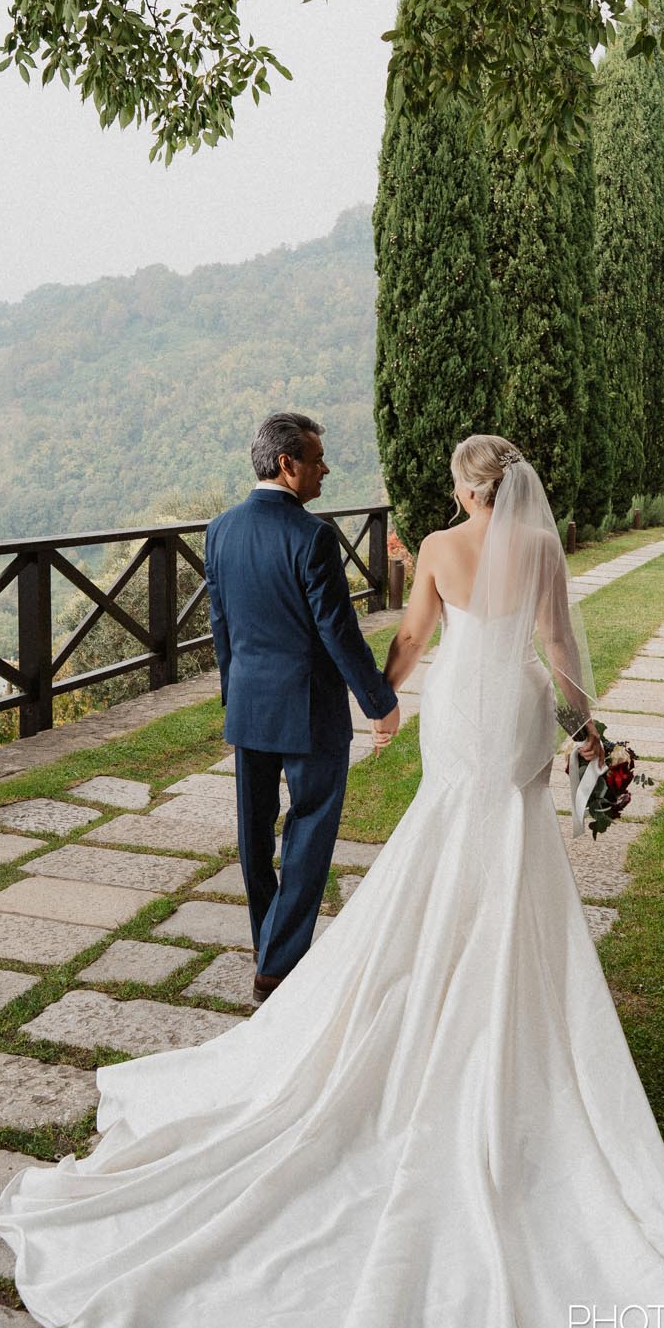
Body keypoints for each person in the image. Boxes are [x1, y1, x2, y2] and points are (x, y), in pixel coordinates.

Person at [0, 434, 664, 1328]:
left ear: (466, 491)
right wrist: (585, 730)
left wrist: (384, 694)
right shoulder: (542, 552)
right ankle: (501, 991)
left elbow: (415, 638)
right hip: (514, 709)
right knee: (509, 837)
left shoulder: (436, 547)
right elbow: (559, 651)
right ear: (515, 489)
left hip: (460, 709)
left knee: (444, 829)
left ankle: (425, 977)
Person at [203, 411, 401, 1005]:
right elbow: (337, 631)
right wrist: (378, 701)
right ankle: (278, 964)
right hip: (310, 711)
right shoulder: (314, 536)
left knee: (254, 831)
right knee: (310, 830)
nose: (326, 469)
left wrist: (234, 695)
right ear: (287, 464)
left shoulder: (219, 529)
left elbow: (221, 626)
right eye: (317, 460)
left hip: (249, 706)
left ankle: (268, 945)